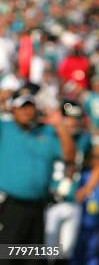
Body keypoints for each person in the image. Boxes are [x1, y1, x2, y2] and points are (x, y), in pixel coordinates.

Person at [0, 86, 75, 263]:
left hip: (38, 207)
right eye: (22, 106)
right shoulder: (5, 128)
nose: (27, 110)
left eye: (30, 106)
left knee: (33, 259)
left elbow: (70, 156)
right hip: (10, 207)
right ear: (13, 109)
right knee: (6, 256)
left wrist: (59, 124)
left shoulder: (47, 133)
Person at [45, 100, 99, 262]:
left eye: (76, 118)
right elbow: (68, 154)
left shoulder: (83, 139)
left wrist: (86, 189)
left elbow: (98, 165)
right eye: (69, 117)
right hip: (49, 201)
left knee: (65, 254)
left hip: (72, 201)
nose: (73, 122)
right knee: (45, 253)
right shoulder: (49, 134)